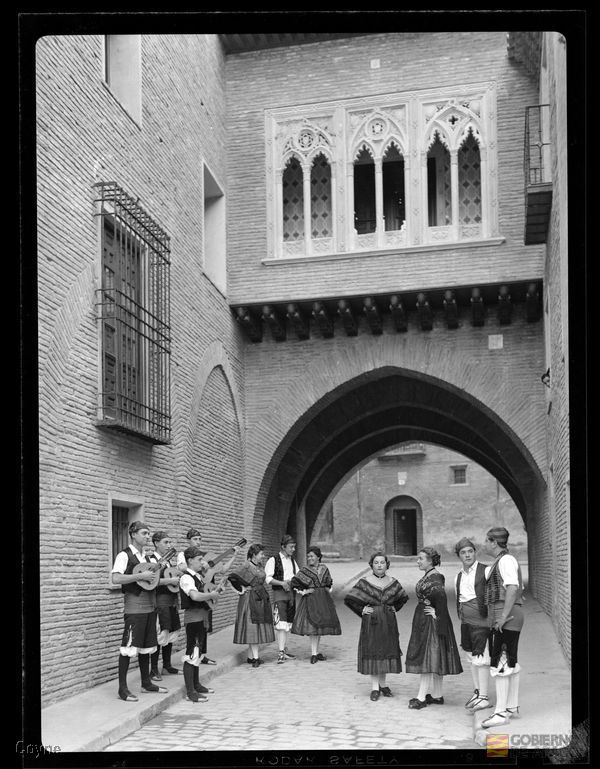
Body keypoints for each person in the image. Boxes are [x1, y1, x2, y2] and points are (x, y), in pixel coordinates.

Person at [111, 521, 168, 702]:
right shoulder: (124, 555)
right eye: (144, 533)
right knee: (128, 647)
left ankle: (146, 683)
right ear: (133, 534)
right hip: (134, 608)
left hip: (150, 607)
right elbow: (115, 578)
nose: (147, 536)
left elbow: (152, 581)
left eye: (148, 533)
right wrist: (139, 576)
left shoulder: (148, 559)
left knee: (146, 647)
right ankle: (122, 689)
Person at [344, 552, 409, 701]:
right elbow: (350, 599)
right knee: (373, 651)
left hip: (388, 622)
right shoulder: (365, 582)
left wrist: (394, 608)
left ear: (387, 565)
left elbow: (403, 598)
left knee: (385, 651)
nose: (379, 565)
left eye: (382, 562)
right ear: (371, 565)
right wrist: (362, 610)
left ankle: (383, 685)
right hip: (372, 622)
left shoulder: (393, 582)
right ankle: (374, 688)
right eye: (376, 563)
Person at [405, 547, 463, 709]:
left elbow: (442, 597)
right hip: (425, 619)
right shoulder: (430, 575)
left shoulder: (435, 578)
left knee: (428, 657)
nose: (418, 561)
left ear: (430, 561)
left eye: (421, 559)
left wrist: (437, 614)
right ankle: (437, 695)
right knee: (436, 656)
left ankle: (421, 697)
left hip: (431, 622)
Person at [480, 526, 525, 728]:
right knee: (509, 662)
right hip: (503, 617)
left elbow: (513, 588)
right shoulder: (501, 561)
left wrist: (503, 617)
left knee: (501, 663)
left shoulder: (506, 560)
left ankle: (500, 713)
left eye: (487, 541)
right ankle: (512, 707)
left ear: (494, 542)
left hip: (507, 617)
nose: (485, 544)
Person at [177, 527, 240, 665]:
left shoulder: (207, 555)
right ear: (188, 540)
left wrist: (234, 556)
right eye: (195, 539)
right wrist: (203, 566)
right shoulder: (184, 555)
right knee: (196, 630)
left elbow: (222, 569)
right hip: (197, 594)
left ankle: (202, 654)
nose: (198, 542)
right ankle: (195, 656)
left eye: (200, 539)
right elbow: (182, 568)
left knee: (205, 626)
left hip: (208, 592)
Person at [178, 546, 224, 702]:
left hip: (202, 618)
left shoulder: (197, 576)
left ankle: (196, 685)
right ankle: (190, 692)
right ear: (190, 560)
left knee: (198, 653)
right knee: (192, 653)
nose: (202, 562)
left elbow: (203, 594)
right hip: (193, 619)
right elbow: (195, 596)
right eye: (199, 560)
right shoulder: (186, 578)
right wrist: (211, 594)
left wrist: (214, 592)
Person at [454, 537, 491, 712]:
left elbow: (495, 595)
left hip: (482, 622)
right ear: (459, 556)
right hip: (466, 623)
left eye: (470, 551)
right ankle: (478, 692)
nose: (467, 555)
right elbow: (459, 599)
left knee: (481, 659)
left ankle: (484, 696)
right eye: (463, 552)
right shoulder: (458, 576)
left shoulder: (486, 571)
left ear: (475, 552)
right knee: (470, 658)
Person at [290, 545, 341, 662]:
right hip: (311, 599)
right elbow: (294, 583)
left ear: (318, 557)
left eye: (312, 556)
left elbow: (328, 583)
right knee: (313, 625)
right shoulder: (304, 570)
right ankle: (313, 654)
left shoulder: (324, 569)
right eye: (308, 556)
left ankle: (317, 652)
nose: (309, 558)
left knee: (319, 626)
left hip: (323, 600)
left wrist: (328, 593)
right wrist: (304, 591)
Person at [228, 543, 275, 667]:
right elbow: (232, 577)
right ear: (254, 555)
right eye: (261, 554)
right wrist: (241, 589)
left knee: (257, 626)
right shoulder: (246, 565)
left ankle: (250, 657)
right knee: (253, 626)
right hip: (250, 600)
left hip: (260, 597)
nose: (263, 556)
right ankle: (255, 658)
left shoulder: (258, 566)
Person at [148, 531, 183, 681]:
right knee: (160, 634)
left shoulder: (167, 562)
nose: (169, 545)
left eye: (170, 542)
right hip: (159, 601)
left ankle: (167, 666)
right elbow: (150, 581)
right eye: (165, 542)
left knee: (170, 633)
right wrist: (169, 581)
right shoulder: (150, 560)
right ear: (156, 543)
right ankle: (154, 669)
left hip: (171, 600)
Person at [264, 535, 300, 664]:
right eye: (291, 547)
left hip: (291, 595)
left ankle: (283, 650)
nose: (293, 549)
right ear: (283, 547)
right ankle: (280, 652)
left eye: (294, 547)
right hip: (279, 595)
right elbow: (267, 578)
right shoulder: (273, 560)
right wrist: (281, 583)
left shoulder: (292, 561)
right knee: (281, 624)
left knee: (288, 624)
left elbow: (298, 576)